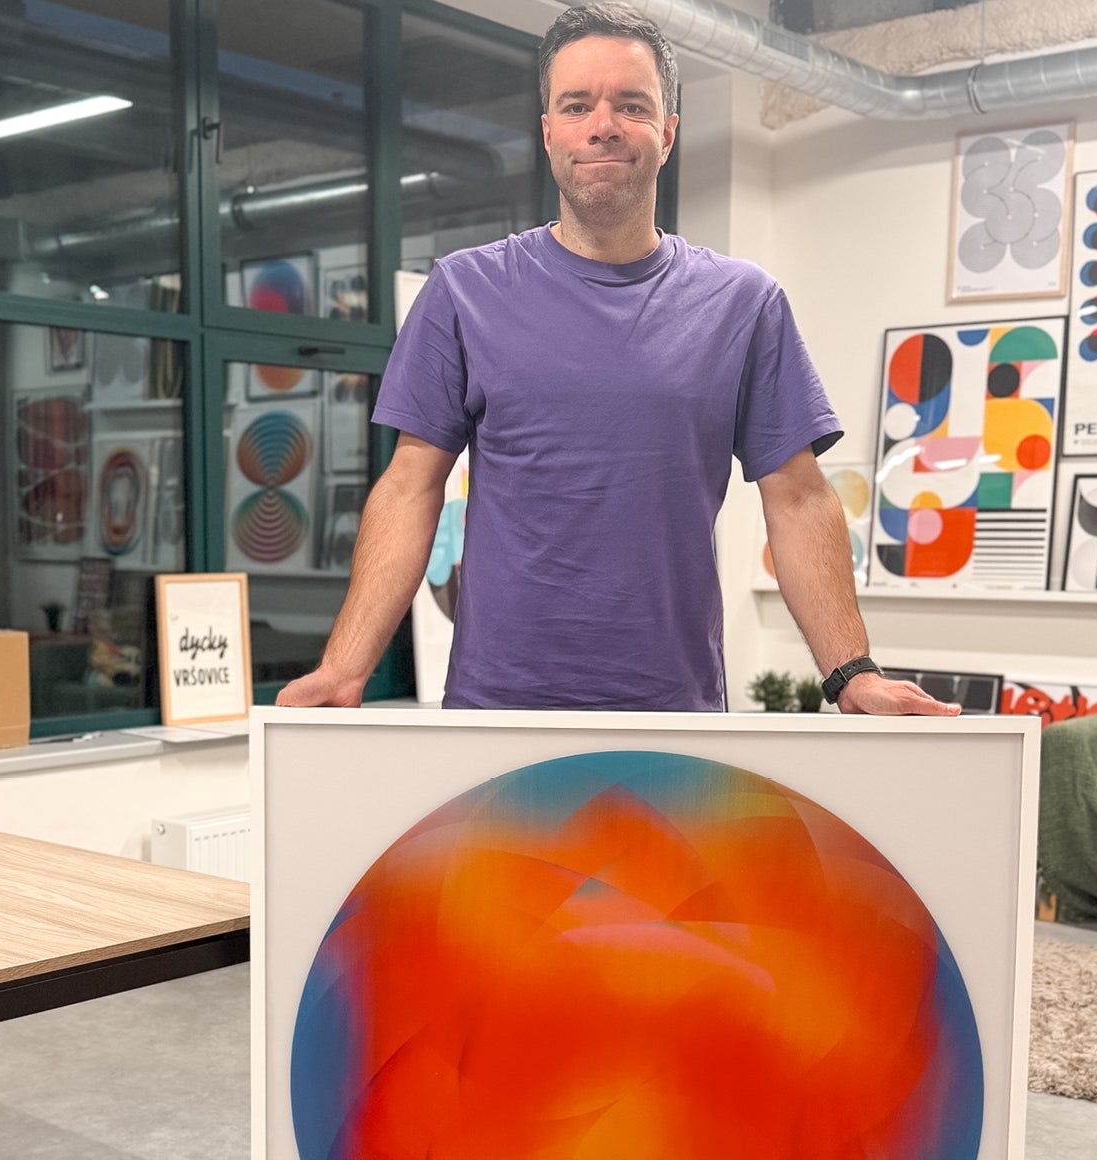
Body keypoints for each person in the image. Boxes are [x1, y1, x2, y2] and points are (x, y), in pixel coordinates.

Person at [276, 3, 956, 718]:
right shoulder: (464, 291)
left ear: (668, 131)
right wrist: (344, 667)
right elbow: (411, 486)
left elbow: (799, 497)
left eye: (631, 105)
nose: (602, 125)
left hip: (674, 715)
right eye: (577, 105)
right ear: (548, 132)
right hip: (498, 714)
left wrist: (853, 674)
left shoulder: (742, 303)